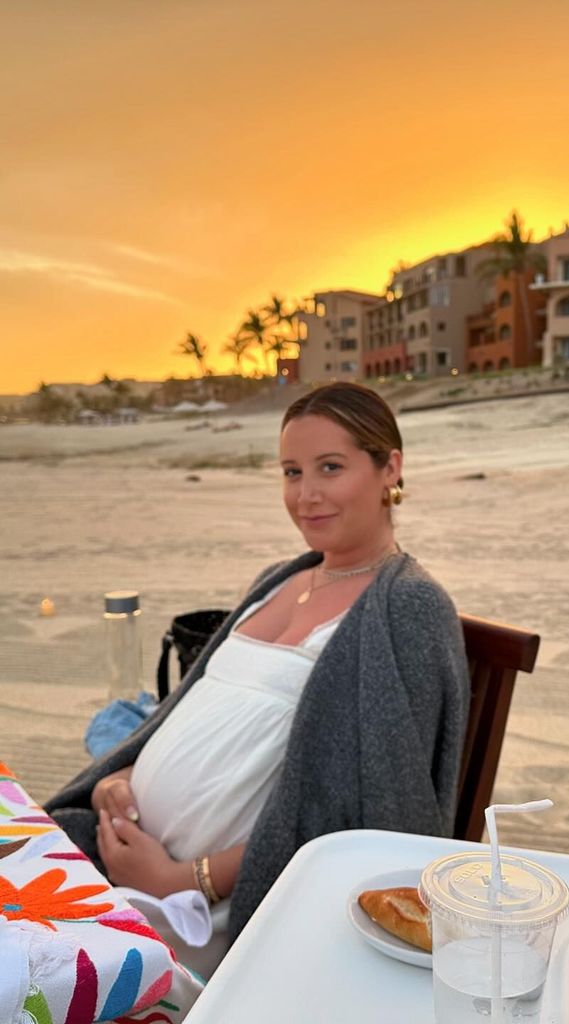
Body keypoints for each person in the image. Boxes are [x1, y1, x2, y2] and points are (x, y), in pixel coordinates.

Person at [46, 382, 470, 973]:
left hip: (218, 915)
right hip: (122, 852)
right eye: (292, 472)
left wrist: (184, 878)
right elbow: (197, 710)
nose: (307, 495)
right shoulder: (279, 577)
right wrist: (117, 777)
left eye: (330, 467)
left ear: (389, 468)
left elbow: (375, 820)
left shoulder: (407, 606)